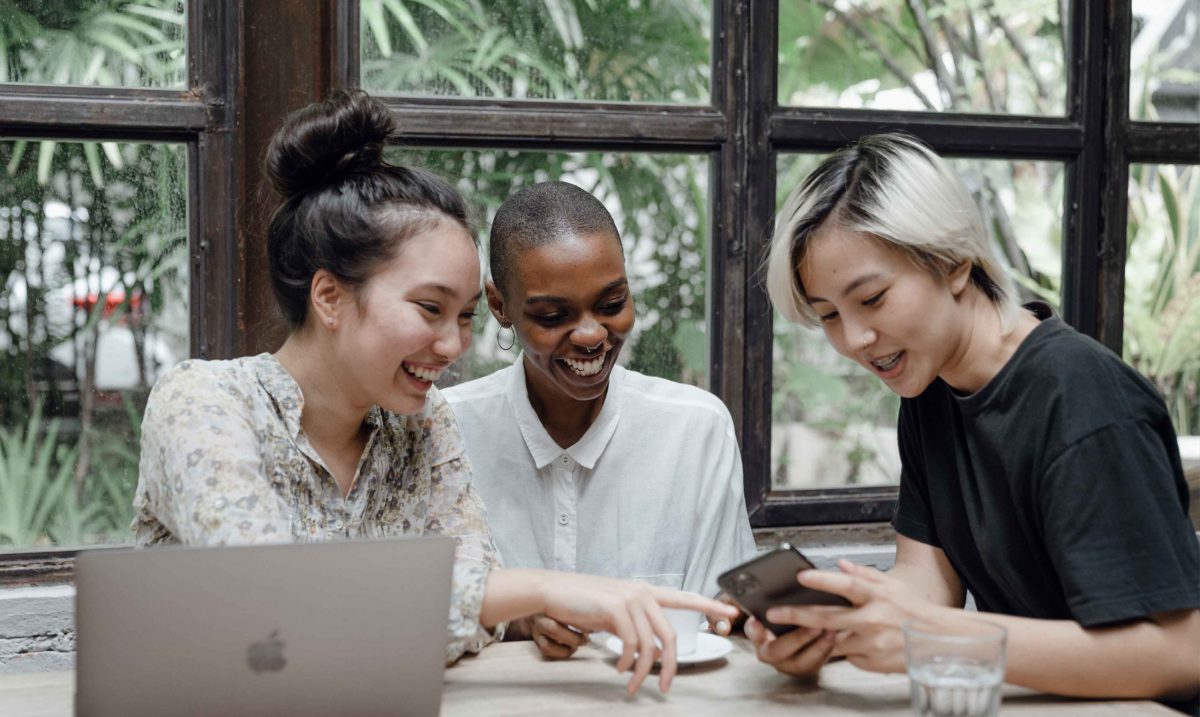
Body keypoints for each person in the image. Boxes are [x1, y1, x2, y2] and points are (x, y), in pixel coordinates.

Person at [131, 90, 736, 696]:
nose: (453, 346)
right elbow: (271, 608)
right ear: (329, 297)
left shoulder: (423, 424)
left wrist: (481, 607)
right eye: (429, 308)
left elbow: (475, 619)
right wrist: (542, 589)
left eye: (467, 315)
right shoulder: (203, 402)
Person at [760, 133, 1200, 713]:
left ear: (954, 262)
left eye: (871, 299)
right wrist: (837, 627)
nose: (855, 340)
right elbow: (929, 580)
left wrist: (930, 637)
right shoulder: (929, 385)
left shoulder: (1085, 401)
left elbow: (1181, 655)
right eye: (829, 316)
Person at [443, 181, 757, 661]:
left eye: (612, 305)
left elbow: (722, 618)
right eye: (552, 315)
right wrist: (519, 616)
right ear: (500, 306)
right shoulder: (447, 432)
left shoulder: (695, 430)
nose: (591, 335)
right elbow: (412, 613)